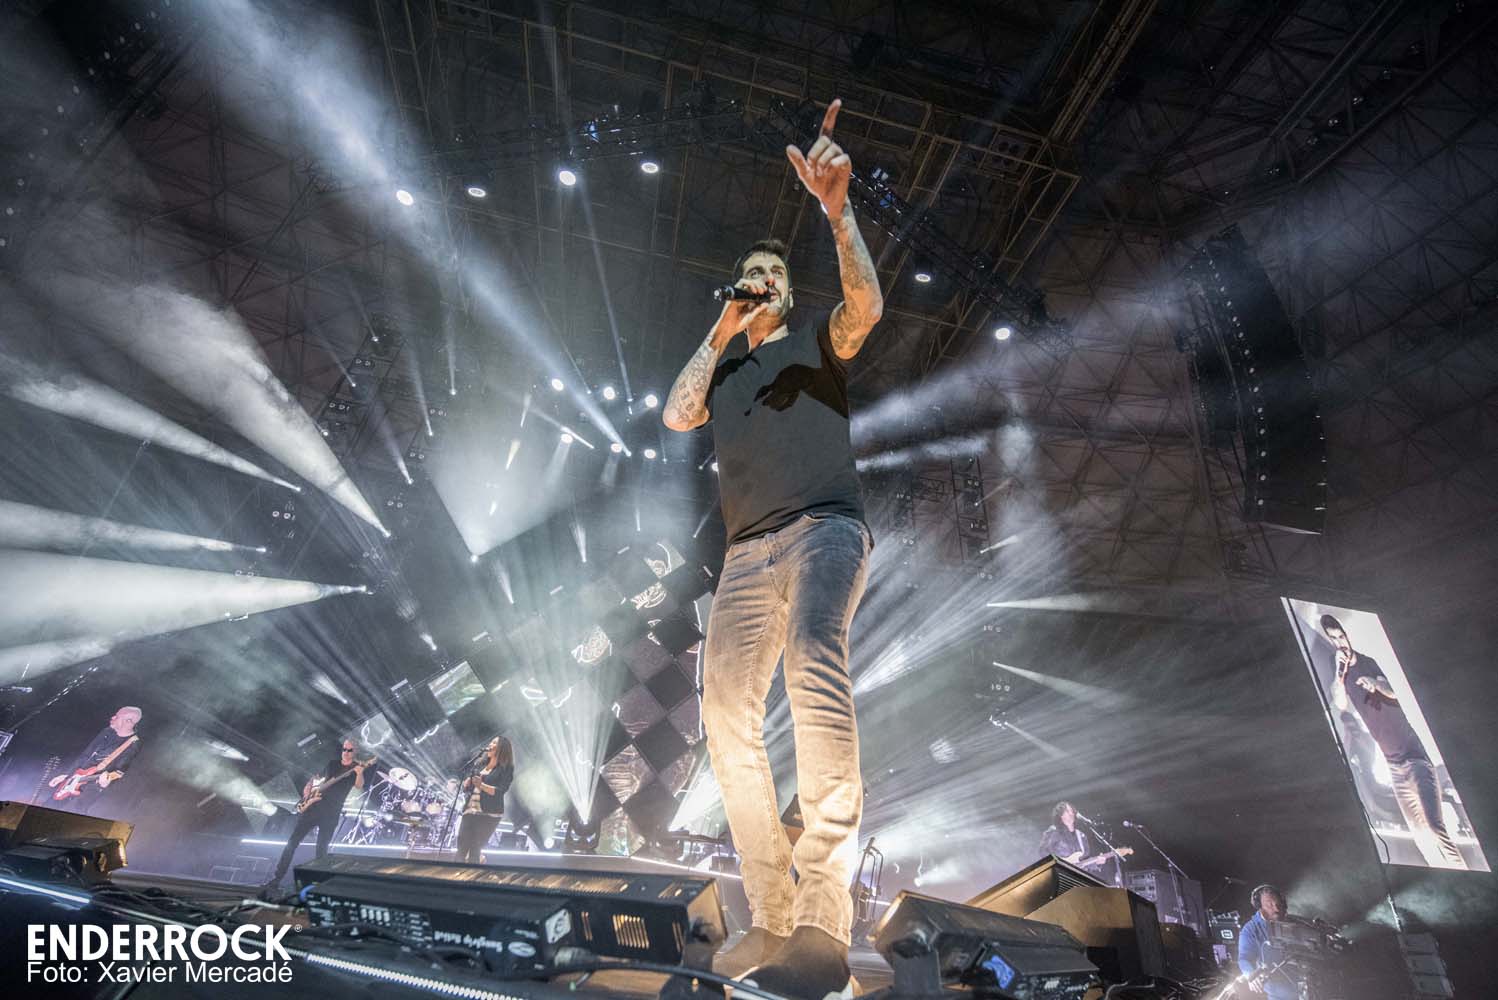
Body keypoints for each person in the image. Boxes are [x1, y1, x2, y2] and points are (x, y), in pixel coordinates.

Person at [663, 96, 883, 998]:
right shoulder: (726, 369)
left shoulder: (816, 342)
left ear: (787, 292)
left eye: (770, 273)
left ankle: (825, 918)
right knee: (723, 714)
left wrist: (838, 212)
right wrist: (721, 329)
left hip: (826, 528)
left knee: (814, 654)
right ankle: (772, 915)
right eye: (748, 272)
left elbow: (866, 305)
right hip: (746, 555)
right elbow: (677, 413)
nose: (758, 279)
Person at [1321, 615, 1465, 868]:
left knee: (1434, 826)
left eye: (1341, 636)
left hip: (1414, 757)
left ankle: (1461, 868)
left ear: (1347, 635)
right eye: (1333, 639)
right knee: (1420, 836)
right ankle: (1444, 871)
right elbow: (1340, 704)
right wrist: (1338, 673)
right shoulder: (1342, 675)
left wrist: (1374, 684)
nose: (1340, 642)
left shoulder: (1368, 662)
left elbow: (1393, 692)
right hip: (1394, 766)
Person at [262, 739, 366, 893]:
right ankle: (276, 880)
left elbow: (359, 785)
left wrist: (360, 772)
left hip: (331, 813)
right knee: (292, 843)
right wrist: (308, 787)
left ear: (355, 751)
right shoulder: (332, 764)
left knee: (321, 850)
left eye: (349, 750)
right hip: (313, 808)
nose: (346, 752)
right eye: (344, 749)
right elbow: (316, 777)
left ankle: (320, 885)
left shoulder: (356, 768)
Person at [51, 706, 142, 815]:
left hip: (92, 786)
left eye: (117, 716)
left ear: (128, 721)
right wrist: (66, 774)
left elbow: (119, 771)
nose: (112, 717)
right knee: (51, 804)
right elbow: (85, 755)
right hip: (74, 777)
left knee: (73, 812)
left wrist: (104, 784)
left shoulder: (133, 744)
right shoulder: (107, 731)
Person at [456, 735, 514, 864]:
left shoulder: (506, 768)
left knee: (475, 848)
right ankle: (455, 872)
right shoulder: (480, 764)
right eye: (491, 742)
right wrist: (467, 784)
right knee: (461, 847)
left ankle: (471, 874)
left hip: (488, 814)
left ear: (502, 748)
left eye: (494, 743)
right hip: (470, 810)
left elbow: (500, 791)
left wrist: (481, 785)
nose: (490, 745)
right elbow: (471, 788)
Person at [1237, 884, 1298, 999]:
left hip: (1304, 985)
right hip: (1279, 992)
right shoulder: (1251, 929)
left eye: (1278, 904)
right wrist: (1250, 974)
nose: (1276, 909)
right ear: (1259, 907)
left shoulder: (1293, 923)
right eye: (1270, 905)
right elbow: (1244, 958)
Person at [1037, 801, 1120, 883]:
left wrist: (1097, 863)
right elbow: (1043, 851)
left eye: (1072, 811)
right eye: (1067, 811)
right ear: (1060, 815)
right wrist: (1060, 864)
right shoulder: (1054, 831)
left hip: (1078, 878)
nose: (1071, 813)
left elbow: (1084, 861)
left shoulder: (1081, 836)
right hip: (1061, 877)